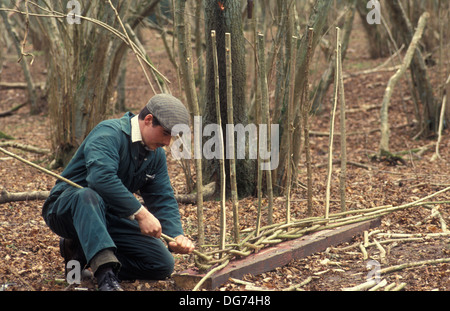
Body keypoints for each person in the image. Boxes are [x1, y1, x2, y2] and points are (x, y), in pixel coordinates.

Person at [42, 94, 195, 291]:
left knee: (162, 264)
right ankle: (105, 276)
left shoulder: (155, 155)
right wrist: (141, 213)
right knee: (88, 195)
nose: (167, 142)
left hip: (111, 214)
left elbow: (163, 197)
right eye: (166, 133)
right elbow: (100, 179)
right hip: (67, 210)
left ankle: (79, 251)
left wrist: (176, 236)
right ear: (148, 120)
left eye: (172, 137)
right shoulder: (108, 133)